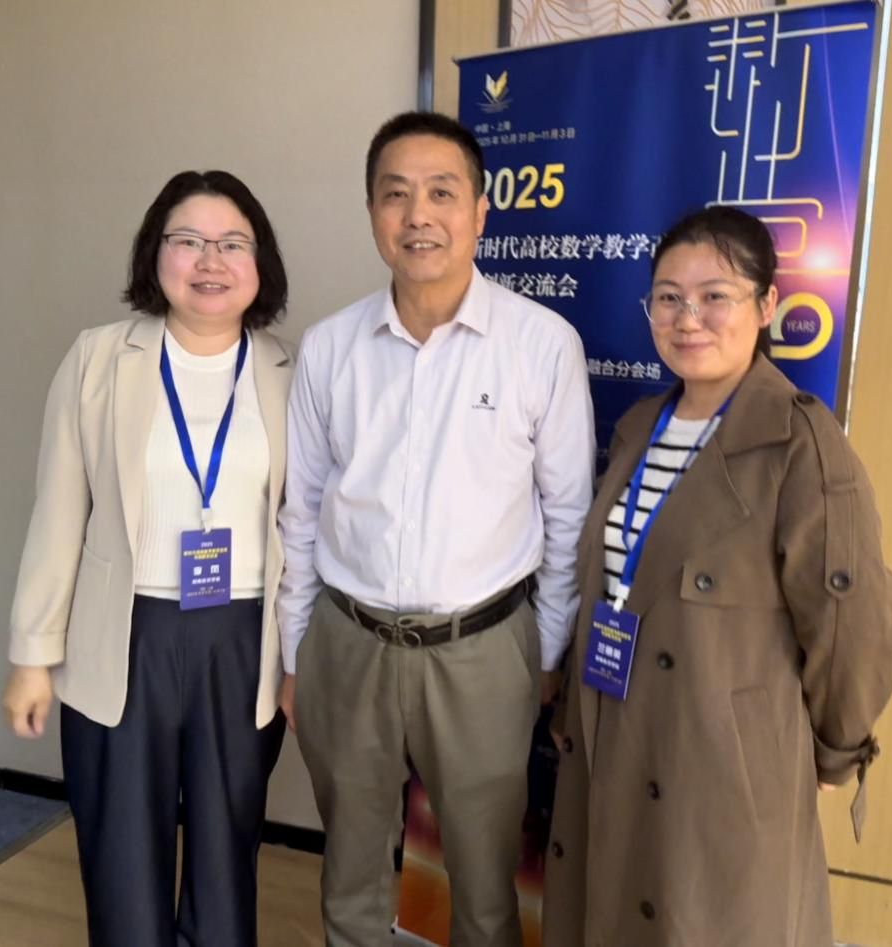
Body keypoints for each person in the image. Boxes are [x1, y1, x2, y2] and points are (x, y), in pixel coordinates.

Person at [277, 111, 595, 947]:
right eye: (396, 195)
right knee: (350, 878)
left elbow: (569, 518)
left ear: (481, 211)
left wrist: (545, 654)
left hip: (484, 652)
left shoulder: (541, 344)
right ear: (372, 213)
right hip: (348, 646)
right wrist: (294, 653)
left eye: (442, 193)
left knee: (486, 890)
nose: (418, 215)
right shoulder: (329, 348)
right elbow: (300, 511)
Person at [542, 206, 892, 946]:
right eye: (668, 297)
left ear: (766, 305)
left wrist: (835, 748)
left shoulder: (799, 440)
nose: (688, 318)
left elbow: (850, 619)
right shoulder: (639, 426)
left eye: (715, 296)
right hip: (614, 729)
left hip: (716, 761)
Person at [1, 170, 294, 946]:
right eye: (187, 240)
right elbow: (58, 511)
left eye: (232, 243)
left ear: (259, 261)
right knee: (123, 851)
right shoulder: (99, 358)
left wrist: (303, 658)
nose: (210, 260)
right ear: (153, 253)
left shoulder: (289, 371)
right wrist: (32, 655)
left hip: (243, 640)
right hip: (124, 635)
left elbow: (306, 529)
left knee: (228, 848)